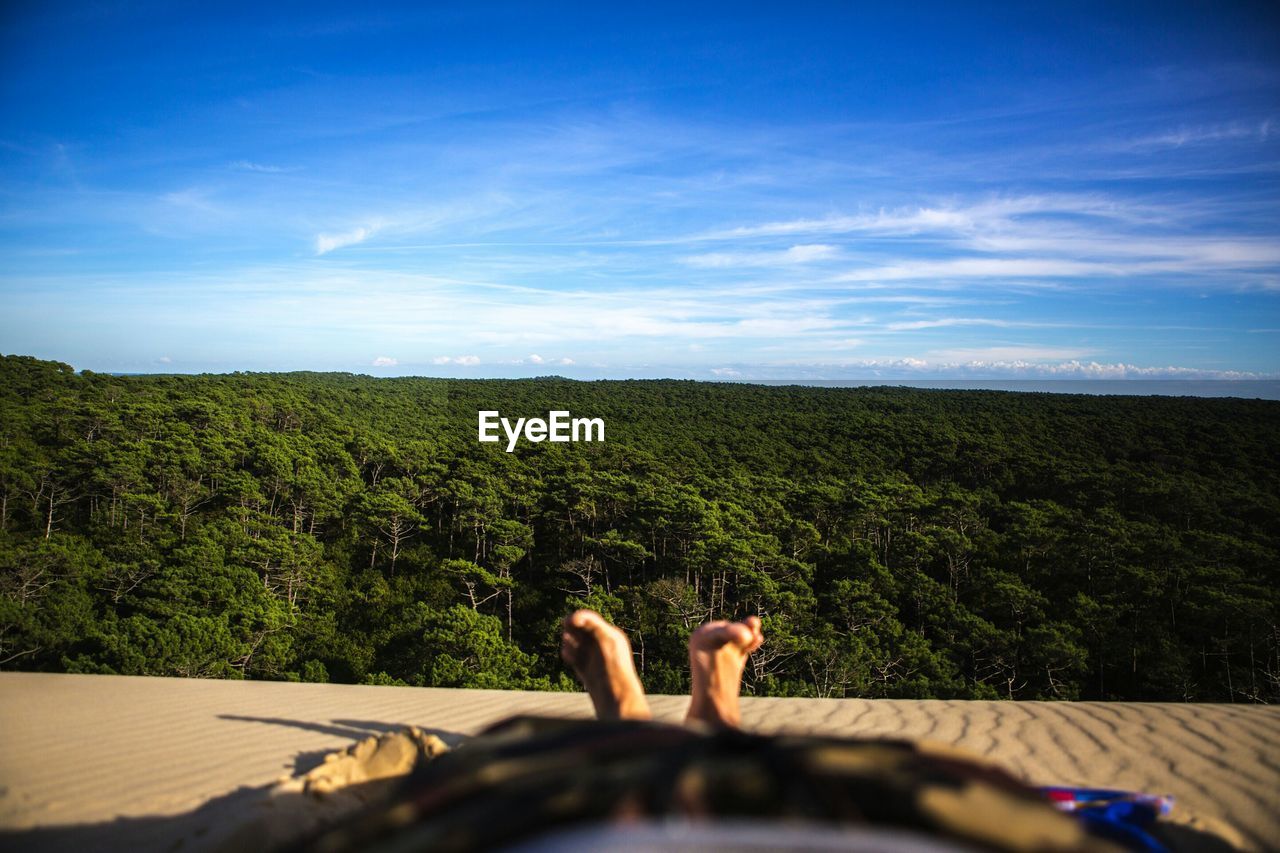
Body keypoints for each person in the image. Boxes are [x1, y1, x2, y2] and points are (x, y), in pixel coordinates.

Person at [300, 610, 1129, 852]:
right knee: (881, 774)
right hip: (889, 819)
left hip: (554, 822)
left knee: (532, 767)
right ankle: (713, 720)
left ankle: (632, 722)